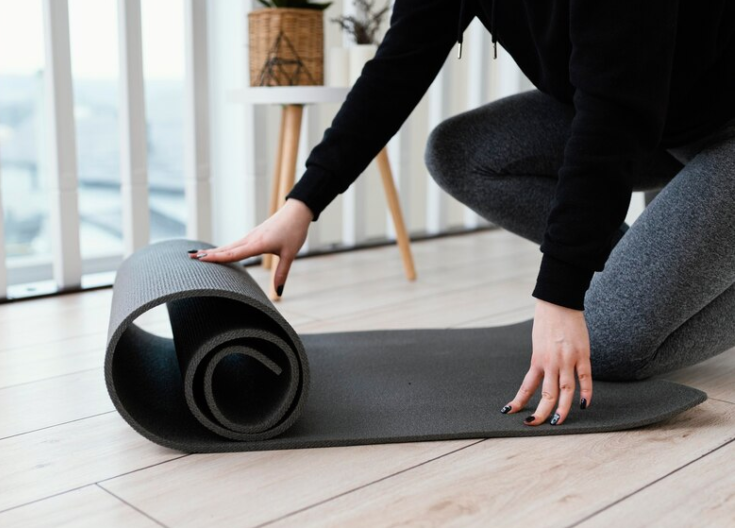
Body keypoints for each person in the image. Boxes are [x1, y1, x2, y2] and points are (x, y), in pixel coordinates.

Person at [193, 1, 735, 427]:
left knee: (610, 344)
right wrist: (302, 203)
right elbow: (398, 66)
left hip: (701, 124)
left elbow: (614, 116)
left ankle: (666, 282)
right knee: (461, 153)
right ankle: (667, 275)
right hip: (659, 117)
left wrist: (561, 292)